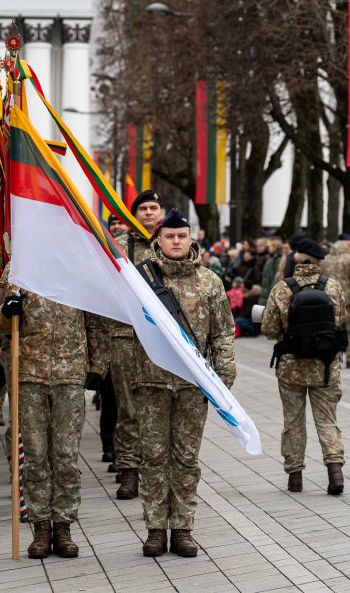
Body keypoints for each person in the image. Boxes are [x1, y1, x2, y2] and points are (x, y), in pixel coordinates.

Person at [131, 209, 235, 558]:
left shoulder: (209, 282)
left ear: (191, 239)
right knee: (154, 458)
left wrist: (223, 377)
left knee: (187, 459)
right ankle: (155, 530)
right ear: (158, 240)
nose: (176, 242)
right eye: (169, 236)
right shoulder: (141, 281)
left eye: (182, 236)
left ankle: (183, 529)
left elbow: (222, 333)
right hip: (152, 383)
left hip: (193, 385)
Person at [0, 261, 99, 560]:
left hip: (70, 375)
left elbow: (97, 323)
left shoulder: (80, 268)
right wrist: (7, 312)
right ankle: (40, 526)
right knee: (36, 455)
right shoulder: (19, 270)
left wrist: (97, 367)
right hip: (29, 375)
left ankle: (63, 525)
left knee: (65, 455)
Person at [261, 238, 347, 495]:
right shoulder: (332, 287)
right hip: (325, 366)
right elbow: (340, 321)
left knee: (293, 422)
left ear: (296, 259)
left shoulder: (281, 289)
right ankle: (335, 472)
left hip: (291, 366)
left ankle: (295, 477)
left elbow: (268, 329)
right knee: (327, 420)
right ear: (319, 261)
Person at [100, 190, 163, 498]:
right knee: (127, 406)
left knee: (156, 406)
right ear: (133, 214)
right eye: (143, 208)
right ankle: (128, 471)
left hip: (163, 340)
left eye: (153, 208)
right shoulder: (120, 246)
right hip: (125, 336)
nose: (149, 213)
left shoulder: (172, 243)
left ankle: (154, 470)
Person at [320, 233, 350, 367]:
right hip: (348, 301)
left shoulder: (325, 259)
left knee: (332, 329)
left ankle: (333, 358)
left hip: (329, 300)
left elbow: (320, 279)